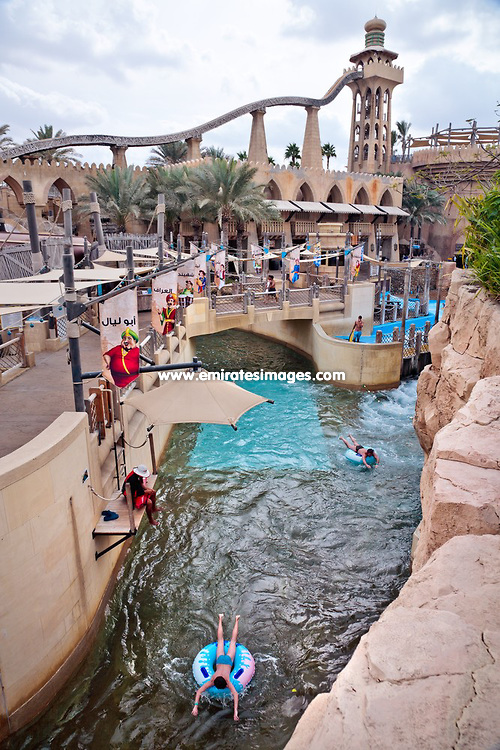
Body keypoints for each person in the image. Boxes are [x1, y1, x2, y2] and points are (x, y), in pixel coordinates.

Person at [192, 614, 241, 721]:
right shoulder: (226, 681)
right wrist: (235, 711)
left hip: (226, 661)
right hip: (221, 660)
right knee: (225, 641)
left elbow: (199, 691)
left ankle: (230, 619)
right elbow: (236, 695)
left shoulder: (213, 679)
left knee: (229, 640)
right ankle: (225, 619)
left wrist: (196, 706)